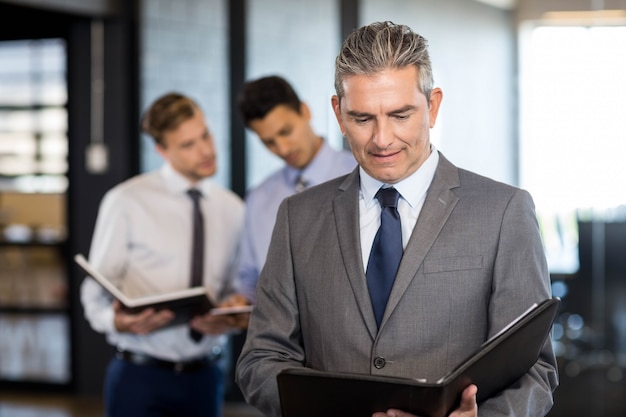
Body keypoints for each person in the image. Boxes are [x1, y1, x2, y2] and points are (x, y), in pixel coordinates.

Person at [235, 21, 558, 417]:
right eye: (362, 118)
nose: (382, 139)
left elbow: (535, 371)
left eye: (400, 115)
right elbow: (260, 361)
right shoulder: (297, 217)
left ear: (433, 105)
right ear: (338, 113)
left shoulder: (504, 211)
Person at [80, 92, 248, 417]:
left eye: (205, 135)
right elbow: (95, 290)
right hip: (139, 377)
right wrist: (117, 322)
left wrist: (231, 316)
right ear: (162, 150)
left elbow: (231, 287)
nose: (206, 151)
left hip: (206, 377)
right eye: (188, 145)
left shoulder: (233, 209)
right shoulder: (126, 201)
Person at [236, 75, 356, 302]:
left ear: (305, 111)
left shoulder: (361, 176)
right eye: (268, 142)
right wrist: (237, 306)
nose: (282, 148)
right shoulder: (258, 199)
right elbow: (250, 282)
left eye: (286, 131)